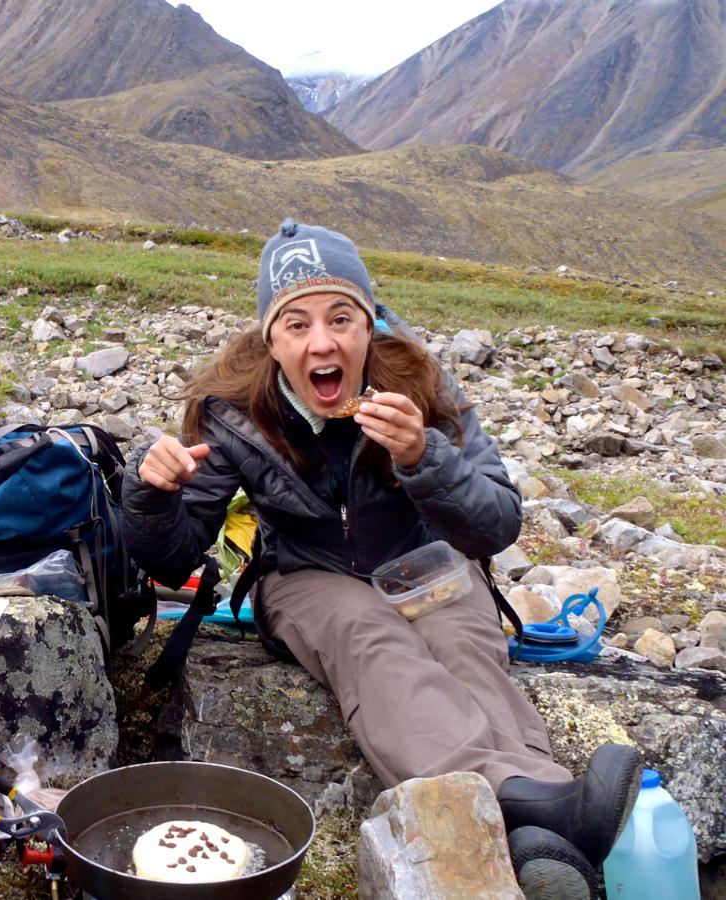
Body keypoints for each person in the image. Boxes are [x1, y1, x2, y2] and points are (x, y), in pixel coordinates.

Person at [122, 219, 643, 898]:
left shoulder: (419, 380)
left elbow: (495, 525)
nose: (323, 342)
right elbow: (173, 556)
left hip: (419, 562)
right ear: (269, 339)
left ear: (370, 325)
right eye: (297, 324)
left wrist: (424, 457)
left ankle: (535, 829)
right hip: (304, 574)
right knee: (369, 635)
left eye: (342, 318)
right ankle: (535, 801)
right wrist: (150, 494)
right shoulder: (232, 406)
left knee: (463, 638)